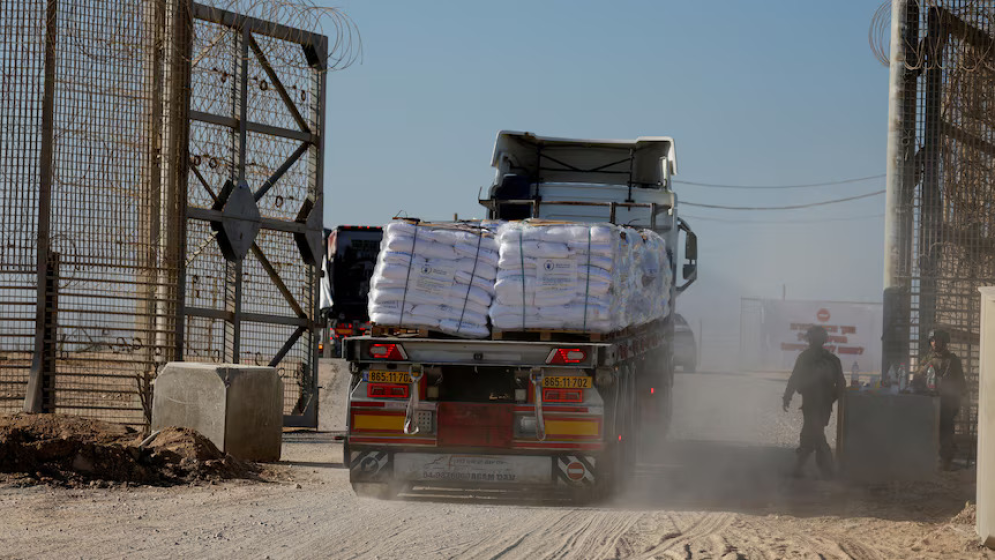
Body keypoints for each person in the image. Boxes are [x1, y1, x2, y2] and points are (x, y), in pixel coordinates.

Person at [782, 326, 846, 479]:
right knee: (812, 435)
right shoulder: (832, 360)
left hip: (812, 404)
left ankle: (826, 471)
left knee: (814, 437)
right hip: (821, 405)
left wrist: (787, 396)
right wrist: (832, 399)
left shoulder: (806, 358)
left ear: (810, 340)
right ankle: (809, 470)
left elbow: (794, 378)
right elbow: (841, 385)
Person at [915, 329, 966, 470]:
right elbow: (917, 378)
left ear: (944, 342)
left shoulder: (953, 361)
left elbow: (960, 384)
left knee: (946, 432)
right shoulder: (927, 359)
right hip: (930, 402)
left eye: (938, 340)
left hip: (947, 403)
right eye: (932, 340)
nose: (935, 343)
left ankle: (945, 462)